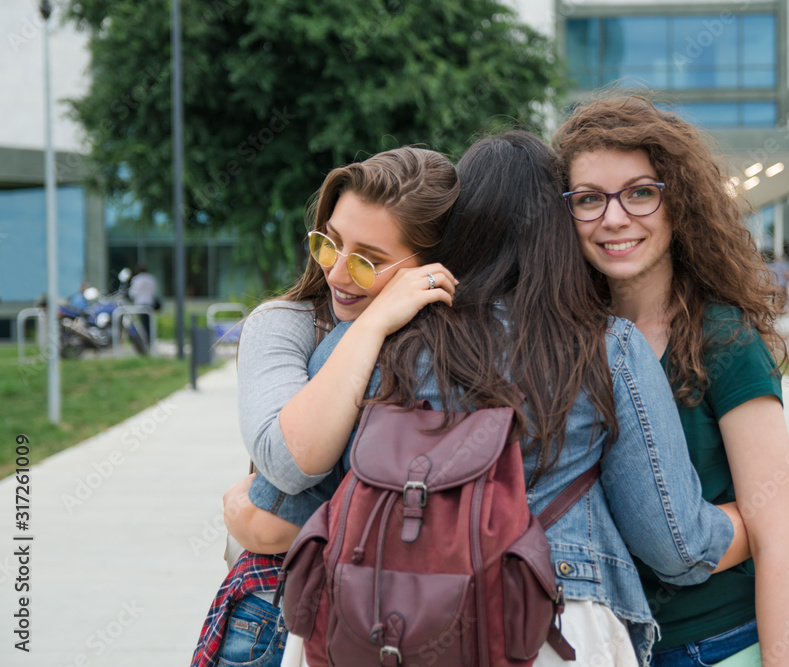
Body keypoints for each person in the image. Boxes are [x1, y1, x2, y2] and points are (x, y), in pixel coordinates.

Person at [225, 131, 752, 667]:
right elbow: (674, 548)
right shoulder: (607, 346)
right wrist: (755, 518)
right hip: (555, 627)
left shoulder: (364, 341)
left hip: (384, 626)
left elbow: (278, 507)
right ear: (560, 233)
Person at [553, 95, 789, 667]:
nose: (615, 218)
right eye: (588, 200)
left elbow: (779, 541)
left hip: (724, 644)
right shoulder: (562, 344)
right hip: (611, 648)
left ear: (680, 204)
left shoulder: (722, 337)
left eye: (641, 192)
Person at [190, 146, 462, 667]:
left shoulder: (455, 342)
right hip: (276, 613)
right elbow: (290, 463)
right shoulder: (284, 325)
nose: (337, 273)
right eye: (329, 243)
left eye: (368, 262)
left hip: (407, 623)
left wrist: (273, 527)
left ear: (429, 266)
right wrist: (375, 321)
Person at [128, 264, 157, 349]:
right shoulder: (151, 278)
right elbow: (154, 291)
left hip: (140, 303)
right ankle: (150, 341)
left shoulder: (137, 279)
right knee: (149, 324)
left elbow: (133, 293)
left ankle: (144, 341)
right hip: (149, 303)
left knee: (141, 324)